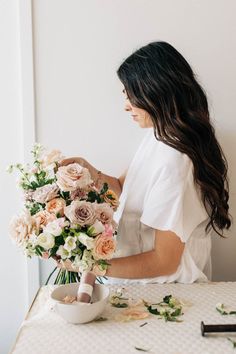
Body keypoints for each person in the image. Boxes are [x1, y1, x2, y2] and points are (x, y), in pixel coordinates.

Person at [58, 41, 231, 284]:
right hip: (143, 285)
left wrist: (89, 264)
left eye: (132, 95)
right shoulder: (158, 135)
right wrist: (89, 172)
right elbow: (124, 191)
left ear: (157, 91)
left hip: (170, 291)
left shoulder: (175, 162)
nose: (126, 105)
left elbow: (164, 261)